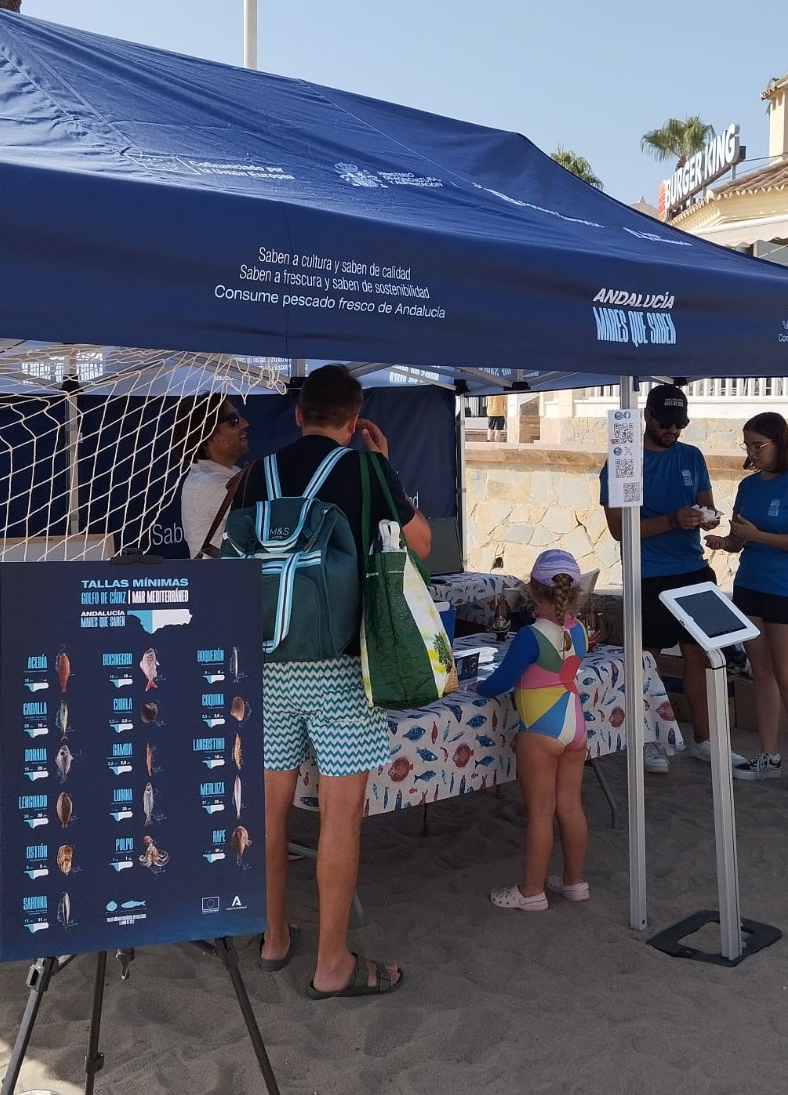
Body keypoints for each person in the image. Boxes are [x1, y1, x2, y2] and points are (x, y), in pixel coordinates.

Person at [233, 364, 430, 997]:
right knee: (340, 817)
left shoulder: (256, 474)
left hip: (265, 664)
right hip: (343, 668)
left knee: (269, 811)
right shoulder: (367, 470)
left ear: (298, 415)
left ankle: (273, 937)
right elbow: (421, 543)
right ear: (354, 419)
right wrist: (385, 465)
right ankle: (332, 963)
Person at [600, 382, 743, 775]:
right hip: (648, 574)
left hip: (692, 569)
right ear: (647, 417)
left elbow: (708, 507)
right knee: (645, 660)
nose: (673, 431)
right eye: (665, 423)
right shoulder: (624, 461)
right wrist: (672, 520)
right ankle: (647, 739)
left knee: (702, 655)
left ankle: (706, 741)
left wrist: (707, 518)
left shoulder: (692, 456)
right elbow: (619, 529)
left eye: (680, 424)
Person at [704, 412, 788, 795]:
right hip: (750, 585)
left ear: (779, 443)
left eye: (759, 445)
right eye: (748, 446)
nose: (752, 453)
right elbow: (740, 538)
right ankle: (768, 755)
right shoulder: (748, 486)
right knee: (762, 672)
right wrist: (725, 542)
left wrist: (759, 536)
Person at [477, 549, 591, 911]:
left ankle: (531, 891)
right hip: (574, 722)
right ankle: (574, 882)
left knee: (540, 812)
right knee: (570, 806)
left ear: (531, 590)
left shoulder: (530, 635)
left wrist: (477, 688)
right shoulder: (580, 630)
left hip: (541, 728)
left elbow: (501, 681)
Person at [180, 396, 249, 558]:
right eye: (233, 420)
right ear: (208, 434)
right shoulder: (208, 483)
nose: (245, 423)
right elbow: (268, 523)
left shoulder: (228, 472)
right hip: (222, 575)